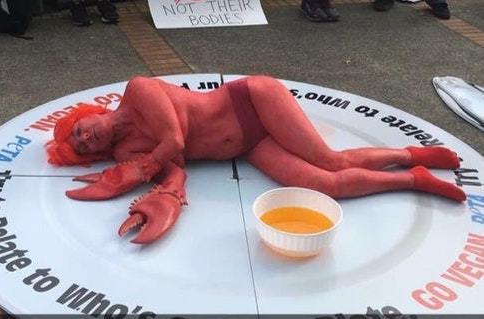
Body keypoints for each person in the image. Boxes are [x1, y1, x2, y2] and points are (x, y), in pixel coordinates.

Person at [46, 75, 464, 244]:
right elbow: (174, 173)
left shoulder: (138, 90)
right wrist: (160, 185)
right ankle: (415, 178)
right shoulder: (124, 151)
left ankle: (408, 154)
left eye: (79, 130)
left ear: (90, 114)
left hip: (252, 102)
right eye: (81, 148)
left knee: (329, 159)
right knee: (325, 186)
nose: (85, 139)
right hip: (246, 146)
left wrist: (137, 171)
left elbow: (173, 142)